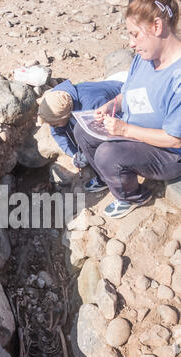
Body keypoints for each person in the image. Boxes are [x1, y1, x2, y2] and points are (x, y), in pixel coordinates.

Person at [74, 0, 181, 219]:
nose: (131, 44)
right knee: (82, 131)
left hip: (168, 153)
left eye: (135, 34)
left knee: (108, 154)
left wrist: (124, 131)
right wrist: (110, 106)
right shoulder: (145, 58)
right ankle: (107, 177)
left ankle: (133, 196)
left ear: (157, 27)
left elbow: (174, 139)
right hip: (133, 132)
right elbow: (127, 93)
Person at [37, 79, 123, 168]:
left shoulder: (92, 106)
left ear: (67, 115)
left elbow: (112, 132)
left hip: (123, 103)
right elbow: (58, 133)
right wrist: (74, 153)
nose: (52, 127)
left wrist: (90, 154)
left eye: (54, 124)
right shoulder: (57, 102)